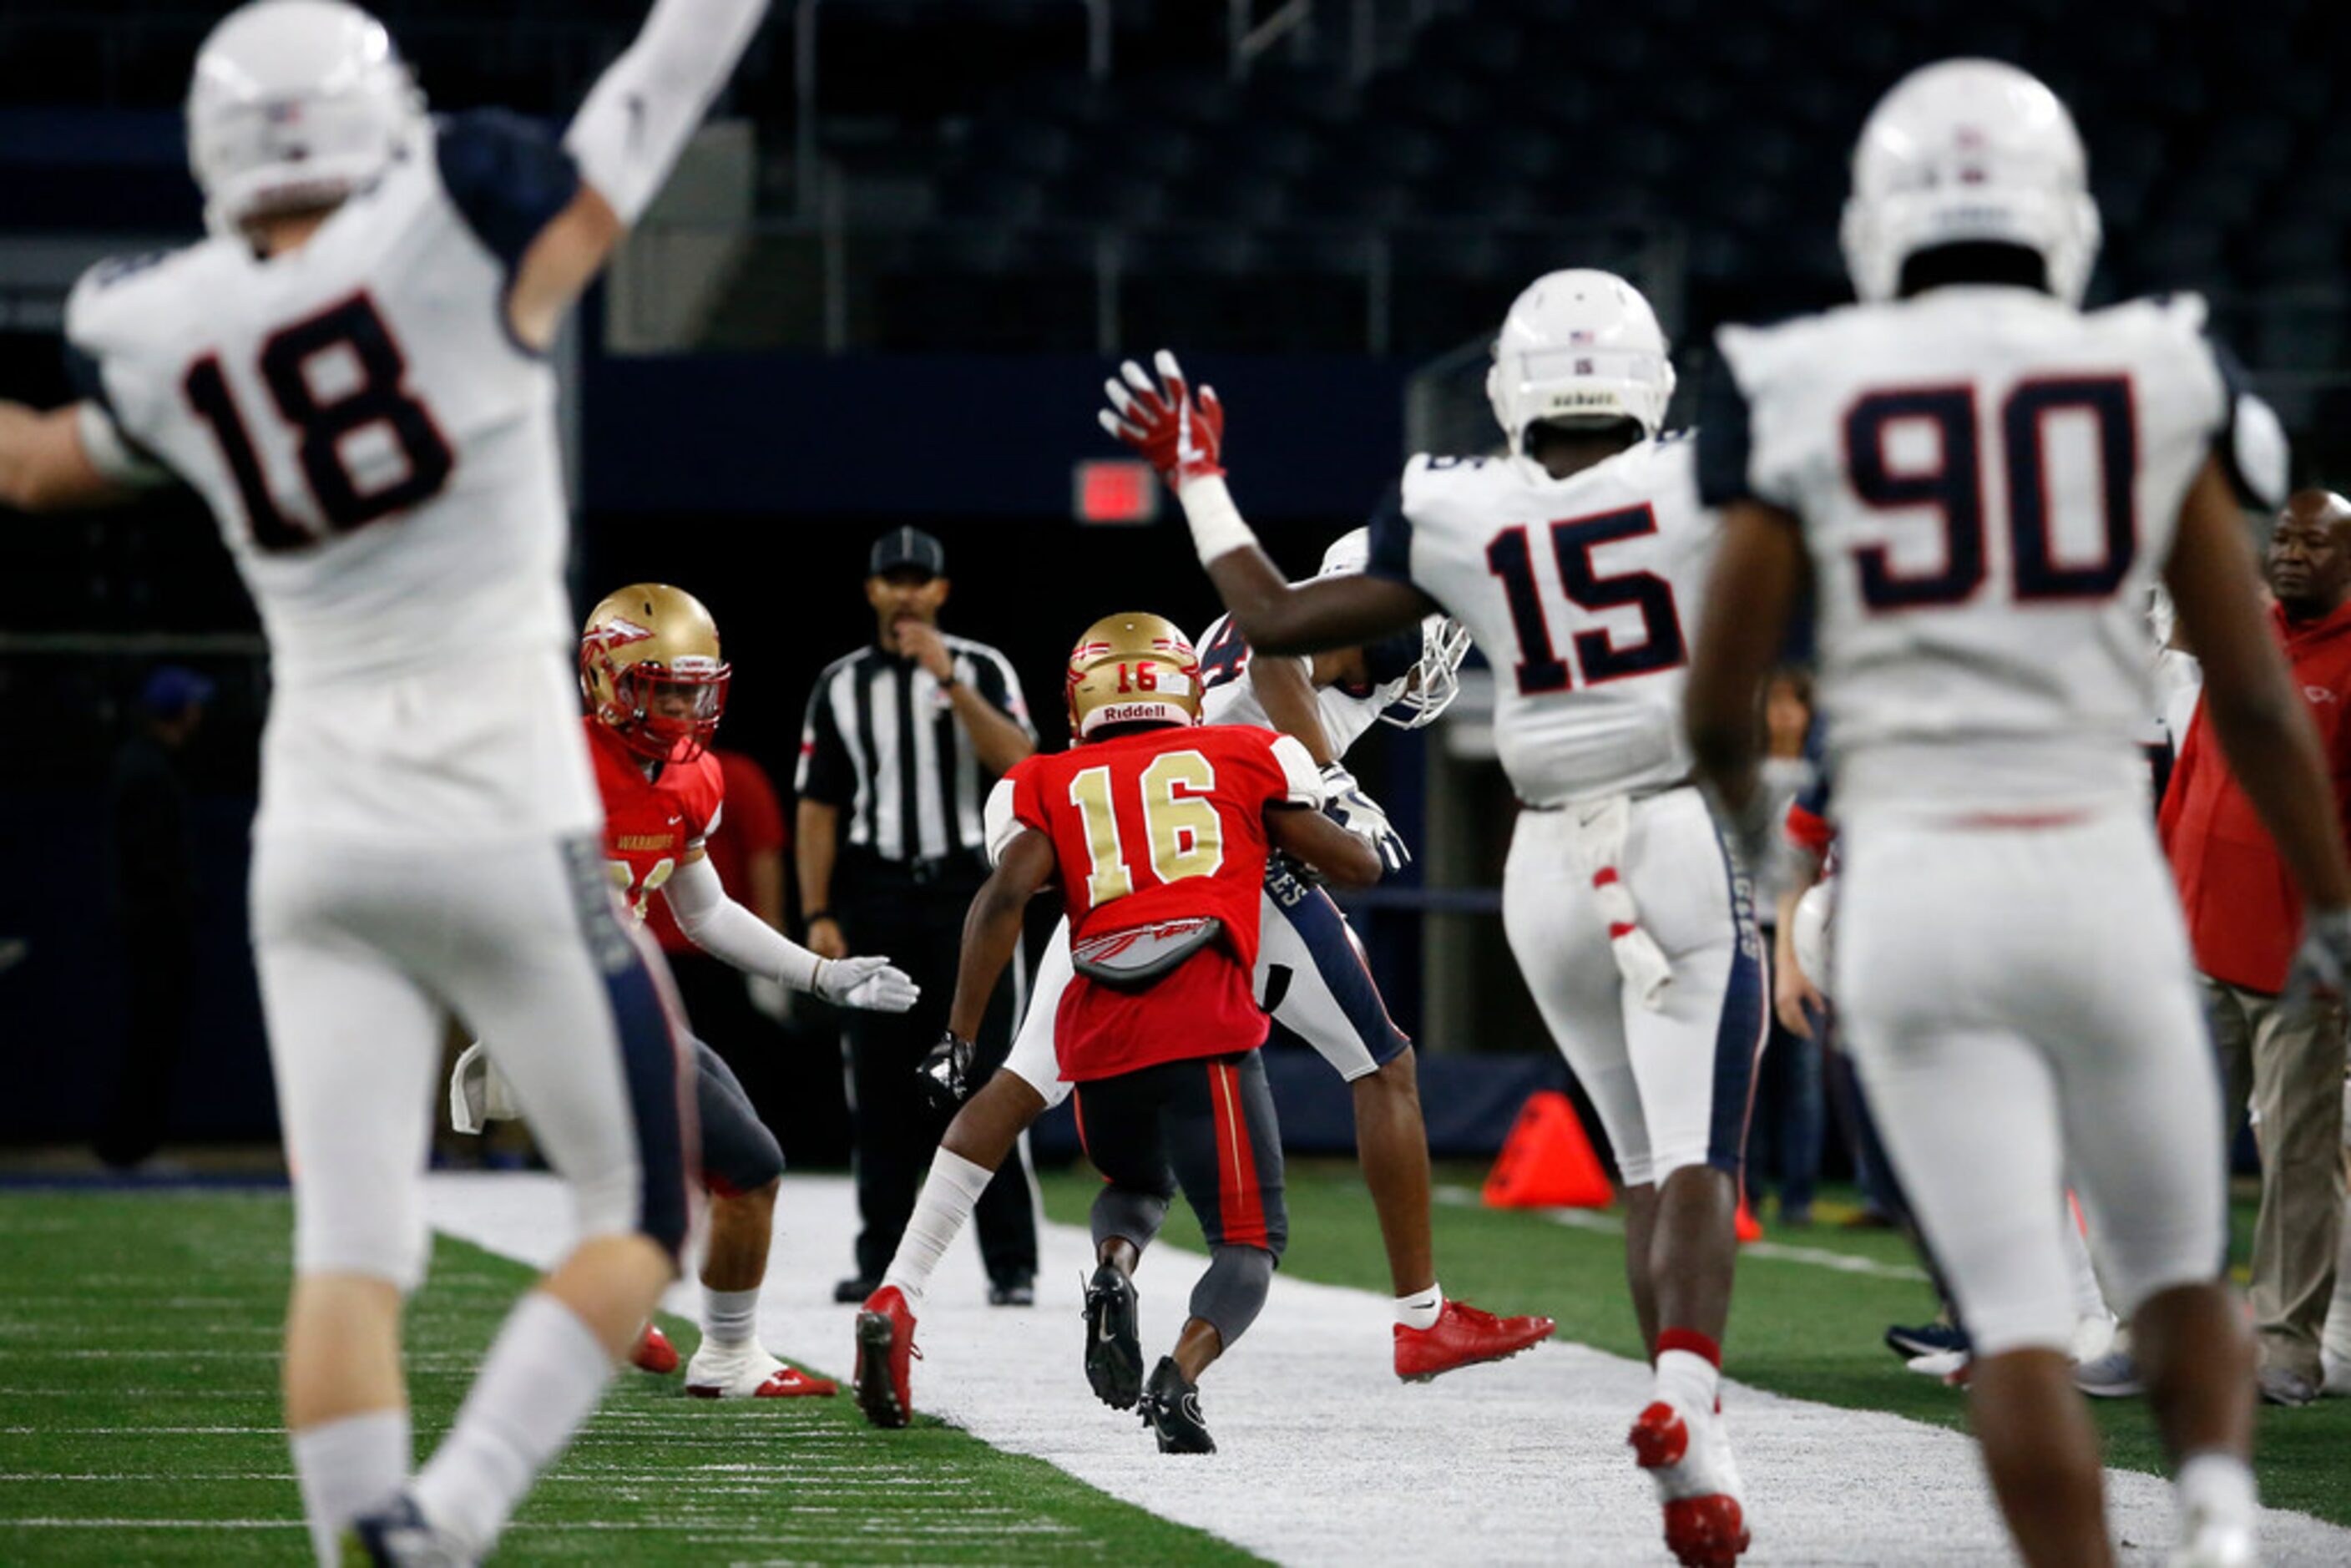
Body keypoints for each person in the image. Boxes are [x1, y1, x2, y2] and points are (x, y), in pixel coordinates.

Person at [0, 0, 778, 1559]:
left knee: (351, 1248)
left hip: (316, 842)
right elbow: (656, 84)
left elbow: (31, 465)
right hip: (501, 819)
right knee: (636, 1223)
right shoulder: (467, 241)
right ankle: (452, 1515)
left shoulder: (172, 327)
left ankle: (357, 1537)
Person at [1681, 58, 2342, 1568]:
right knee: (2179, 1274)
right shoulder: (2151, 366)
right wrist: (2336, 902)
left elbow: (1723, 706)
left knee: (2022, 1326)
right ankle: (2226, 1518)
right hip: (2098, 867)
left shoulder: (1803, 380)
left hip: (1914, 879)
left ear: (1875, 214)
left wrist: (1738, 848)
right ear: (2063, 210)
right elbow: (2245, 686)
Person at [1109, 271, 1765, 1566]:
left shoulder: (1452, 499)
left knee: (1637, 1162)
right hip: (1669, 824)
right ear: (1652, 384)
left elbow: (1275, 612)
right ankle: (1690, 1407)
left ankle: (1697, 1456)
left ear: (1512, 388)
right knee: (1698, 1158)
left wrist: (1197, 476)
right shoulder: (1703, 478)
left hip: (1544, 863)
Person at [846, 533, 1553, 1429]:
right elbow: (1276, 651)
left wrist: (956, 1033)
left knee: (1022, 1082)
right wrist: (1334, 791)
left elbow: (1001, 896)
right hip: (1231, 862)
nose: (1428, 642)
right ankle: (1421, 1318)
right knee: (1383, 1067)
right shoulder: (1312, 628)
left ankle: (899, 1291)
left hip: (1120, 862)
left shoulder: (1085, 746)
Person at [857, 613, 1382, 1452]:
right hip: (1204, 1022)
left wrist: (959, 1033)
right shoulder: (1243, 755)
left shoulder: (1044, 779)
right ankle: (1178, 1376)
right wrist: (1340, 839)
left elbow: (999, 900)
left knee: (1136, 1185)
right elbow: (1355, 867)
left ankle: (1111, 1267)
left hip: (1097, 1026)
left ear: (1080, 699)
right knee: (1250, 1244)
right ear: (1184, 689)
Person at [450, 584, 918, 1399]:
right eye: (662, 687)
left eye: (694, 688)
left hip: (617, 1000)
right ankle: (725, 1354)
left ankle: (623, 1307)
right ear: (604, 679)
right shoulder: (552, 766)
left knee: (694, 1162)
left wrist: (820, 975)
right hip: (569, 1003)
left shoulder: (693, 776)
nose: (682, 706)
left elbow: (703, 912)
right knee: (749, 1165)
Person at [796, 527, 1042, 1306]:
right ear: (871, 590)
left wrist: (953, 685)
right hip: (877, 894)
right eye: (891, 580)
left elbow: (1023, 765)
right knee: (877, 1081)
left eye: (919, 580)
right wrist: (818, 910)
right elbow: (819, 806)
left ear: (940, 591)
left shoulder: (982, 668)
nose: (905, 593)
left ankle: (1012, 1265)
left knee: (993, 1070)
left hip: (970, 890)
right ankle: (880, 1262)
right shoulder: (839, 684)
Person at [2161, 488, 2351, 1408]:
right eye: (2280, 536)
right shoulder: (2238, 631)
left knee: (2297, 1158)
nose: (2289, 553)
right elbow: (2193, 767)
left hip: (2296, 962)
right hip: (2197, 938)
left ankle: (2285, 1347)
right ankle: (2159, 1330)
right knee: (2171, 1142)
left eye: (2313, 543)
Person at [99, 665, 214, 1170]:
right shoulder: (146, 770)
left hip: (153, 924)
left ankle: (133, 1145)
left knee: (153, 1038)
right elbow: (151, 860)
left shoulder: (148, 764)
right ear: (180, 713)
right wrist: (175, 908)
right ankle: (129, 1148)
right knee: (149, 1038)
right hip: (154, 928)